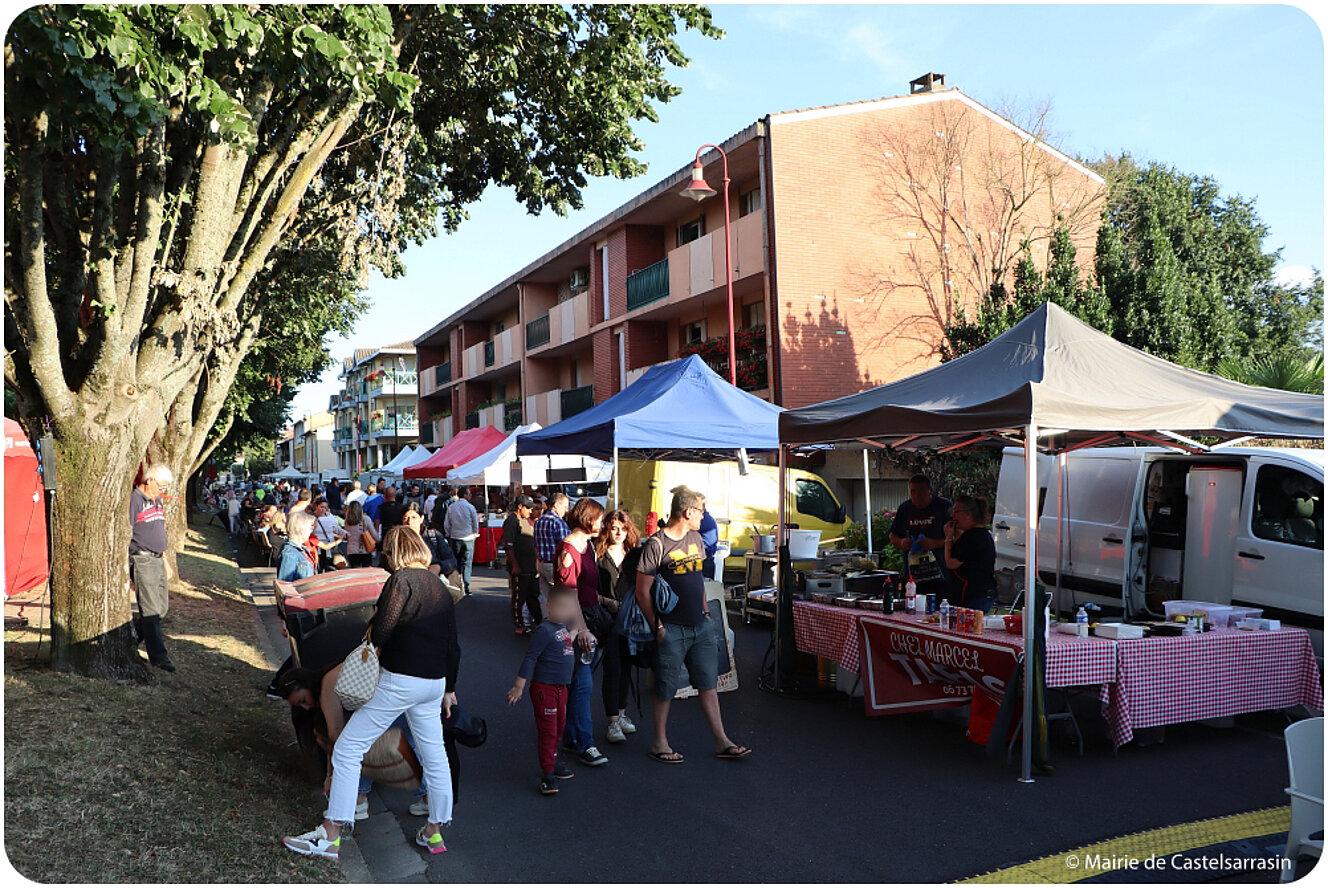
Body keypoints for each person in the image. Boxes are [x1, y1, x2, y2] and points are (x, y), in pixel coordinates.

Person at [283, 526, 460, 860]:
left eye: (386, 554)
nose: (386, 560)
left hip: (400, 679)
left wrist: (376, 621)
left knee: (348, 749)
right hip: (434, 682)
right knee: (435, 755)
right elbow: (453, 645)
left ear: (394, 553)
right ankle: (434, 830)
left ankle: (331, 833)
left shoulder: (401, 580)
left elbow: (381, 632)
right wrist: (449, 688)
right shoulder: (439, 585)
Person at [635, 487, 749, 764]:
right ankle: (660, 744)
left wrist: (706, 613)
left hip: (700, 626)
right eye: (701, 510)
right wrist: (658, 627)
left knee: (708, 684)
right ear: (687, 512)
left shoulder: (696, 538)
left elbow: (697, 580)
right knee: (665, 687)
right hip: (671, 629)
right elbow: (642, 590)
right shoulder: (656, 544)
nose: (704, 516)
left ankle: (722, 741)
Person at [506, 584, 585, 795]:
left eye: (568, 608)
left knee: (559, 728)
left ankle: (552, 760)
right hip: (545, 688)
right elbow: (530, 657)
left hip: (561, 689)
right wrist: (519, 686)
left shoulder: (562, 629)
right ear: (548, 606)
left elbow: (569, 639)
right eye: (560, 607)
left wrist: (576, 627)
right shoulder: (544, 630)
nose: (564, 612)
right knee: (548, 731)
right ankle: (547, 774)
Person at [554, 497, 609, 767]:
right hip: (575, 624)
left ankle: (572, 735)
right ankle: (585, 743)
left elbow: (587, 590)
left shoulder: (587, 547)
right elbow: (568, 593)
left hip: (588, 620)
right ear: (587, 519)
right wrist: (583, 629)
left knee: (578, 682)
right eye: (599, 519)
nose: (602, 523)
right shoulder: (569, 549)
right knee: (582, 684)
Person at [596, 509, 641, 744]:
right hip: (608, 620)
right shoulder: (598, 554)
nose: (618, 533)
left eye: (623, 528)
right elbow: (589, 591)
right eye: (614, 528)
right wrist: (607, 602)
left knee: (626, 669)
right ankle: (612, 721)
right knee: (612, 669)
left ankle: (622, 714)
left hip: (631, 620)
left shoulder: (634, 554)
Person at [130, 464, 176, 672]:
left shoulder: (157, 500)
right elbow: (127, 532)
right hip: (143, 559)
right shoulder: (135, 499)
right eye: (161, 486)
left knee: (161, 609)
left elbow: (158, 531)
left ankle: (130, 638)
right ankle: (159, 657)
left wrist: (165, 561)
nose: (162, 490)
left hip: (158, 558)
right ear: (149, 481)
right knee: (150, 610)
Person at [889, 474, 953, 582]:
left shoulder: (944, 506)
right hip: (912, 574)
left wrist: (935, 543)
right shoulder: (904, 509)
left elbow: (957, 536)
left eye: (921, 490)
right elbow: (893, 535)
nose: (917, 495)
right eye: (913, 491)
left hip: (940, 573)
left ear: (930, 490)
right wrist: (901, 542)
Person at [943, 495, 997, 612]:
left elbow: (951, 562)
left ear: (968, 514)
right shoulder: (984, 535)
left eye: (956, 512)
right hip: (984, 591)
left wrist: (948, 538)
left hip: (972, 593)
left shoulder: (971, 537)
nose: (953, 516)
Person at [503, 495, 540, 635]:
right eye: (528, 508)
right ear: (520, 507)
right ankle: (519, 625)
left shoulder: (525, 520)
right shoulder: (512, 521)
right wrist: (515, 565)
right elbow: (508, 546)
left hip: (530, 567)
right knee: (519, 598)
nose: (531, 511)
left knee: (533, 596)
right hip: (521, 567)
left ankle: (538, 621)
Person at [534, 493, 571, 616]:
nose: (566, 510)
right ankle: (559, 621)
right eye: (565, 507)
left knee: (545, 597)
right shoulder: (558, 522)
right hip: (555, 565)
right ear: (557, 505)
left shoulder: (539, 521)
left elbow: (535, 544)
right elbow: (566, 547)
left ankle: (547, 621)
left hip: (542, 563)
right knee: (561, 597)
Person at [404, 504, 460, 581]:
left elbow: (452, 561)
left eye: (414, 517)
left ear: (421, 518)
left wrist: (438, 567)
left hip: (434, 581)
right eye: (405, 518)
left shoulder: (433, 536)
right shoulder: (398, 541)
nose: (409, 522)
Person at [443, 487, 480, 595]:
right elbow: (475, 523)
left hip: (455, 537)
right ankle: (466, 586)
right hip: (468, 537)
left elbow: (447, 523)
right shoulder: (470, 507)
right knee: (467, 563)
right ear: (465, 495)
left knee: (457, 562)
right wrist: (475, 534)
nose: (470, 496)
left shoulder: (452, 507)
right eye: (469, 494)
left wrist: (449, 534)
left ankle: (457, 585)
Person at [278, 511, 318, 583]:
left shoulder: (302, 549)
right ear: (300, 529)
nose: (311, 532)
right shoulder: (290, 553)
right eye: (309, 528)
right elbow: (285, 583)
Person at [312, 499, 348, 571]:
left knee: (330, 567)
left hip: (330, 545)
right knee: (319, 567)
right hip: (318, 545)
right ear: (316, 506)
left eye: (325, 507)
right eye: (321, 507)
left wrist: (345, 533)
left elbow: (336, 528)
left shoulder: (330, 516)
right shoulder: (312, 517)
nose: (323, 509)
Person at [342, 501, 376, 568]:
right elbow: (374, 534)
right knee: (367, 571)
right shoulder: (365, 519)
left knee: (356, 571)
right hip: (365, 549)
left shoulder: (347, 521)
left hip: (352, 550)